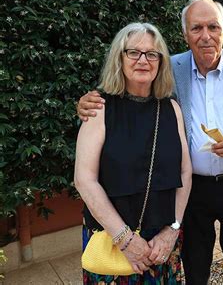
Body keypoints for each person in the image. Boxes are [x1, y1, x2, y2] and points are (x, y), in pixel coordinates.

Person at [77, 0, 223, 284]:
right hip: (192, 189)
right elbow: (129, 92)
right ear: (185, 34)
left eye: (213, 26)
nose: (206, 36)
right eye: (196, 28)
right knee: (195, 271)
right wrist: (87, 102)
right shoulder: (168, 67)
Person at [74, 23, 192, 283]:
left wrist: (172, 229)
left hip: (162, 243)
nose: (143, 60)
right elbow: (84, 179)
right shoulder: (100, 108)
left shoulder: (171, 108)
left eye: (152, 54)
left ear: (161, 62)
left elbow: (185, 171)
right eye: (133, 53)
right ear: (120, 58)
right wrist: (126, 240)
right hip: (111, 240)